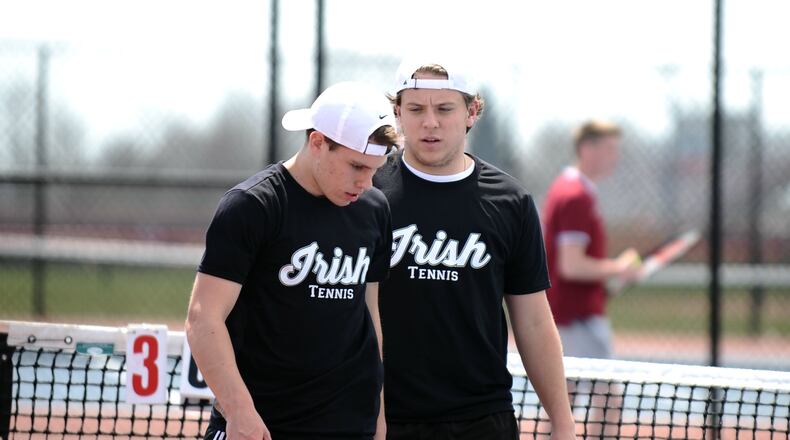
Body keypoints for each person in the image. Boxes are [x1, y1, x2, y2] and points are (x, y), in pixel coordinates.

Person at [373, 56, 577, 440]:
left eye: (445, 108)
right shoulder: (367, 192)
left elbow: (533, 320)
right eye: (415, 109)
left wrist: (563, 424)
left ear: (472, 111)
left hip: (482, 421)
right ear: (397, 113)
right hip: (382, 417)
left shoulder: (511, 202)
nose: (430, 122)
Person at [185, 81, 400, 440]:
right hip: (263, 426)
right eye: (356, 167)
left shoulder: (375, 210)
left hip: (351, 425)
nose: (366, 182)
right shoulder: (253, 206)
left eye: (374, 170)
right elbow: (203, 317)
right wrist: (240, 413)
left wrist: (378, 419)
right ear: (317, 142)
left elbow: (369, 314)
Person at [541, 120, 641, 437]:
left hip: (570, 313)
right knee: (607, 398)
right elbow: (572, 265)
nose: (615, 157)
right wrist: (619, 267)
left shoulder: (573, 189)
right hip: (576, 317)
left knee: (564, 400)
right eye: (609, 149)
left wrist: (610, 276)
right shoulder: (575, 196)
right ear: (587, 149)